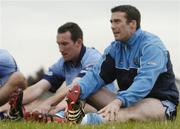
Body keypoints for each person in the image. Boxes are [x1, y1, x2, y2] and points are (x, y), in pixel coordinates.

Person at [64, 5, 179, 124]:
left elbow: (144, 81)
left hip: (159, 102)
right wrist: (78, 91)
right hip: (127, 101)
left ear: (132, 24)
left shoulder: (152, 46)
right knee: (86, 89)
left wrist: (118, 101)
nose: (112, 26)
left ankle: (85, 122)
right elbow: (95, 76)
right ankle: (64, 117)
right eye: (111, 22)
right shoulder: (114, 48)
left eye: (117, 21)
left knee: (132, 113)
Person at [17, 22, 115, 116]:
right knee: (37, 106)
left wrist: (49, 103)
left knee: (79, 91)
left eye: (64, 44)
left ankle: (58, 116)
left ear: (79, 42)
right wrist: (9, 104)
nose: (60, 49)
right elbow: (38, 88)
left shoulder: (93, 58)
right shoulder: (63, 61)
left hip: (102, 104)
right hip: (75, 102)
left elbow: (77, 85)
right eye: (58, 44)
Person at [0, 49, 27, 119]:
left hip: (7, 98)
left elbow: (20, 80)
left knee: (18, 78)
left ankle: (11, 112)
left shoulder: (4, 58)